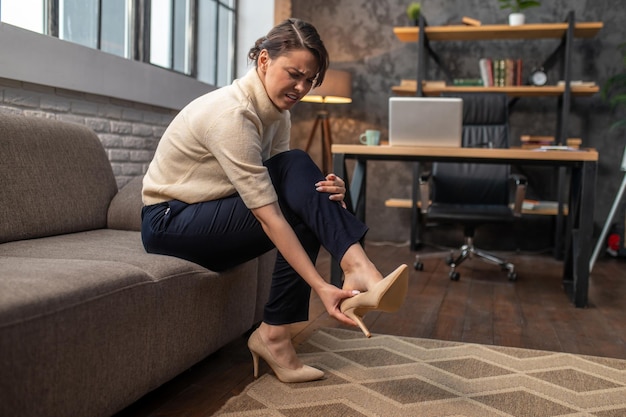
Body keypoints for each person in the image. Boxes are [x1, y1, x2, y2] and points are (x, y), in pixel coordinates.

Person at [141, 18, 408, 383]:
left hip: (211, 214)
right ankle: (356, 266)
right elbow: (270, 216)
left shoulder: (277, 114)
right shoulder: (231, 115)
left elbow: (287, 186)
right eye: (294, 74)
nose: (301, 87)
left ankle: (276, 334)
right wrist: (319, 285)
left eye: (310, 80)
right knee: (298, 173)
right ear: (264, 61)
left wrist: (324, 193)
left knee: (306, 188)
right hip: (171, 222)